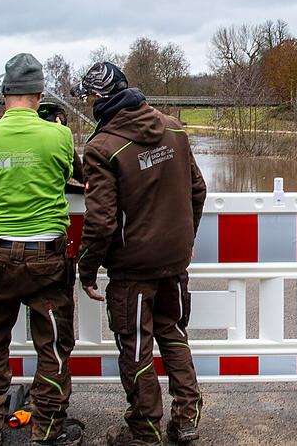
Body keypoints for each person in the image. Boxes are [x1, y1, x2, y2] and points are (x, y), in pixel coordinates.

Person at [76, 62, 206, 446]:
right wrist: (186, 239)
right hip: (174, 260)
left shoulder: (101, 148)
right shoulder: (174, 128)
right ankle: (187, 418)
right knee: (173, 331)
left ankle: (144, 429)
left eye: (88, 97)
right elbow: (197, 190)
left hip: (132, 270)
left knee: (135, 346)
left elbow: (101, 222)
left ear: (97, 97)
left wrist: (86, 269)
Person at [0, 53, 83, 446]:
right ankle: (47, 429)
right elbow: (71, 174)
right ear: (39, 94)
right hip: (46, 258)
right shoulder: (59, 137)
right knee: (52, 346)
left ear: (5, 94)